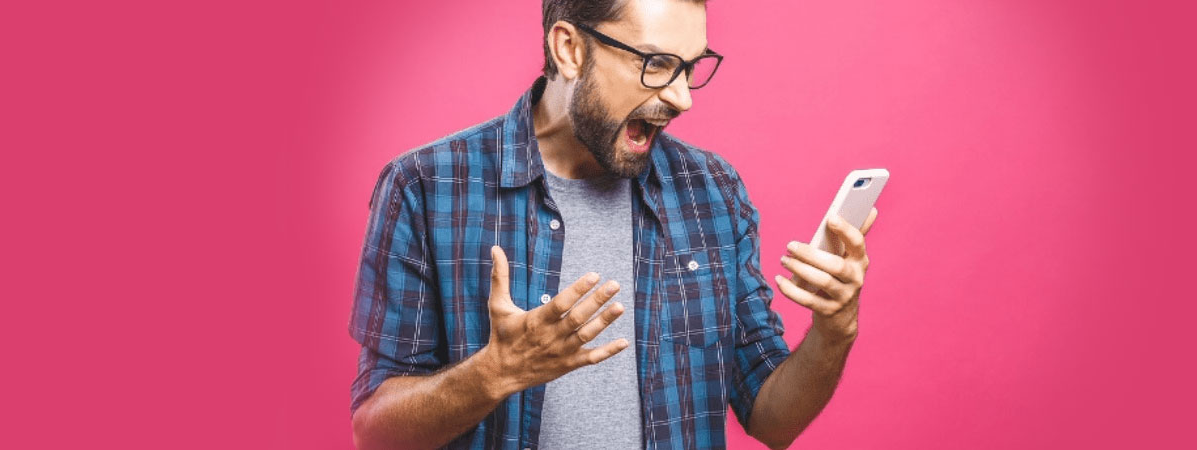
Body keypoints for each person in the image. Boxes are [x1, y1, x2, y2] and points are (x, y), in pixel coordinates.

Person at [347, 1, 879, 448]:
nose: (682, 97)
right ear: (570, 49)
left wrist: (836, 330)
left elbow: (772, 420)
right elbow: (375, 431)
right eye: (657, 63)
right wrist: (494, 373)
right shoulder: (426, 186)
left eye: (691, 67)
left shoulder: (712, 191)